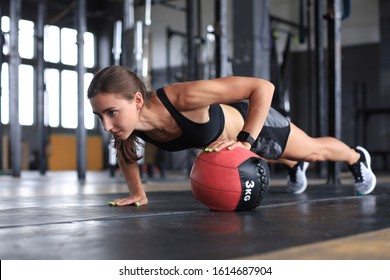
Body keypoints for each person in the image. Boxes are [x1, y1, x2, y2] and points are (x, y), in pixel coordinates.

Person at [88, 65, 376, 207]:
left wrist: (245, 141)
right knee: (269, 158)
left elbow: (263, 87)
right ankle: (292, 165)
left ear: (137, 100)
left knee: (313, 151)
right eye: (100, 116)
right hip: (233, 141)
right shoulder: (130, 126)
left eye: (111, 112)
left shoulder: (181, 98)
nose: (106, 125)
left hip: (256, 125)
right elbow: (125, 154)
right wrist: (138, 193)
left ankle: (355, 157)